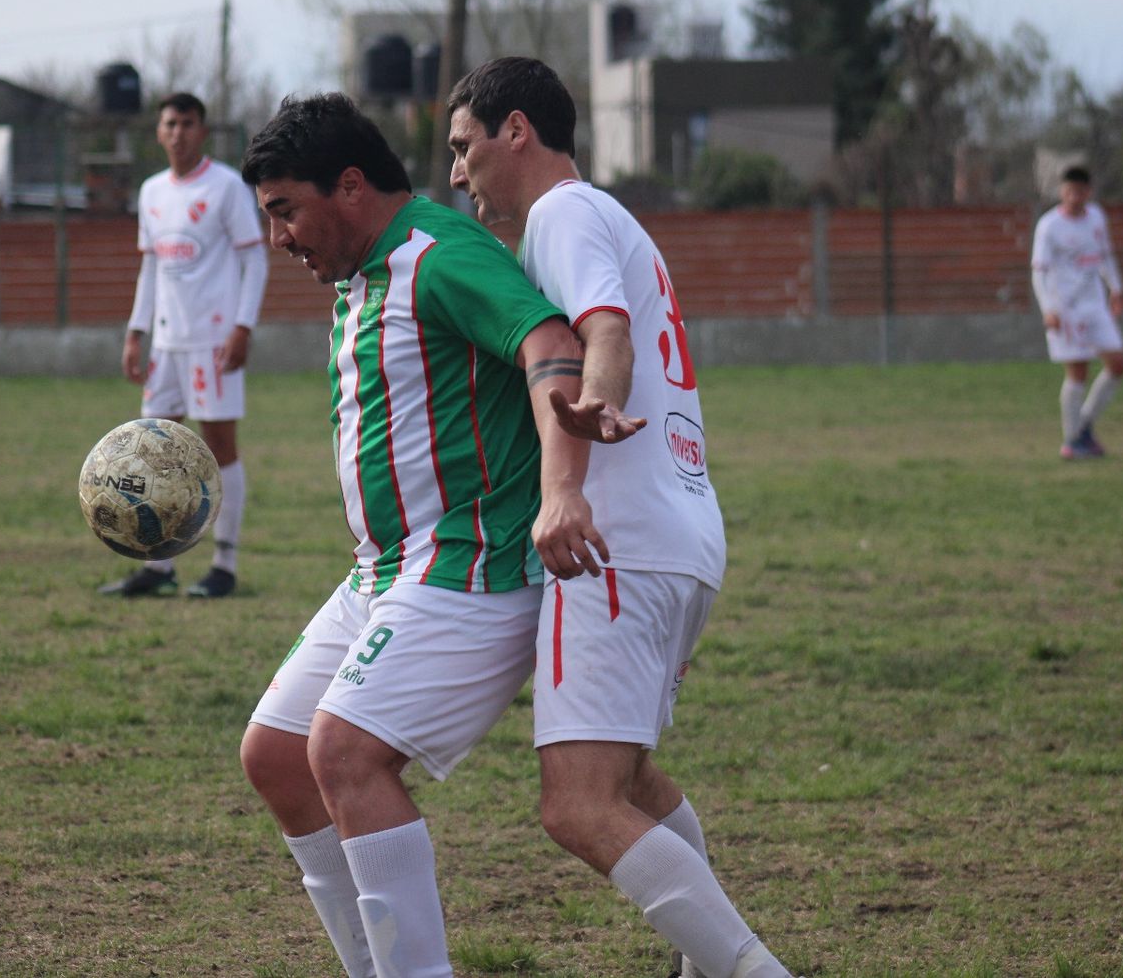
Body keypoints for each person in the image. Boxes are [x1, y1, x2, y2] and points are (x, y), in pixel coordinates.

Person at [236, 92, 604, 978]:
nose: (279, 236)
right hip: (386, 568)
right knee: (279, 756)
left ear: (351, 186)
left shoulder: (437, 256)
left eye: (286, 210)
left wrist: (563, 490)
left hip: (472, 565)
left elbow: (549, 343)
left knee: (345, 750)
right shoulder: (365, 271)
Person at [446, 57, 796, 978]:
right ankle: (705, 961)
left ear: (514, 130)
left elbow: (605, 330)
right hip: (681, 534)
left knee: (576, 803)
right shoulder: (609, 216)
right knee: (628, 778)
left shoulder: (562, 213)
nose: (456, 171)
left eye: (463, 144)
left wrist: (588, 425)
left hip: (615, 542)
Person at [100, 92, 269, 598]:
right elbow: (151, 267)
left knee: (219, 449)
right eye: (170, 123)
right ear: (159, 131)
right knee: (155, 452)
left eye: (188, 123)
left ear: (202, 131)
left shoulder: (226, 188)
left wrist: (243, 327)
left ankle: (224, 564)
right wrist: (136, 332)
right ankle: (158, 565)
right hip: (167, 347)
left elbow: (255, 260)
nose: (178, 132)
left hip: (213, 341)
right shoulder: (152, 192)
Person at [1031, 166, 1123, 461]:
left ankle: (1081, 426)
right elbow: (1039, 273)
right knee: (1079, 371)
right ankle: (1072, 441)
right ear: (1062, 192)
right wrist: (1048, 309)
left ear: (1089, 192)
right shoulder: (1049, 226)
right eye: (1068, 191)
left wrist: (1116, 288)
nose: (1074, 197)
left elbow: (1105, 255)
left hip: (1095, 304)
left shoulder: (1097, 217)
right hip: (1066, 309)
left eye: (1080, 192)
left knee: (1118, 364)